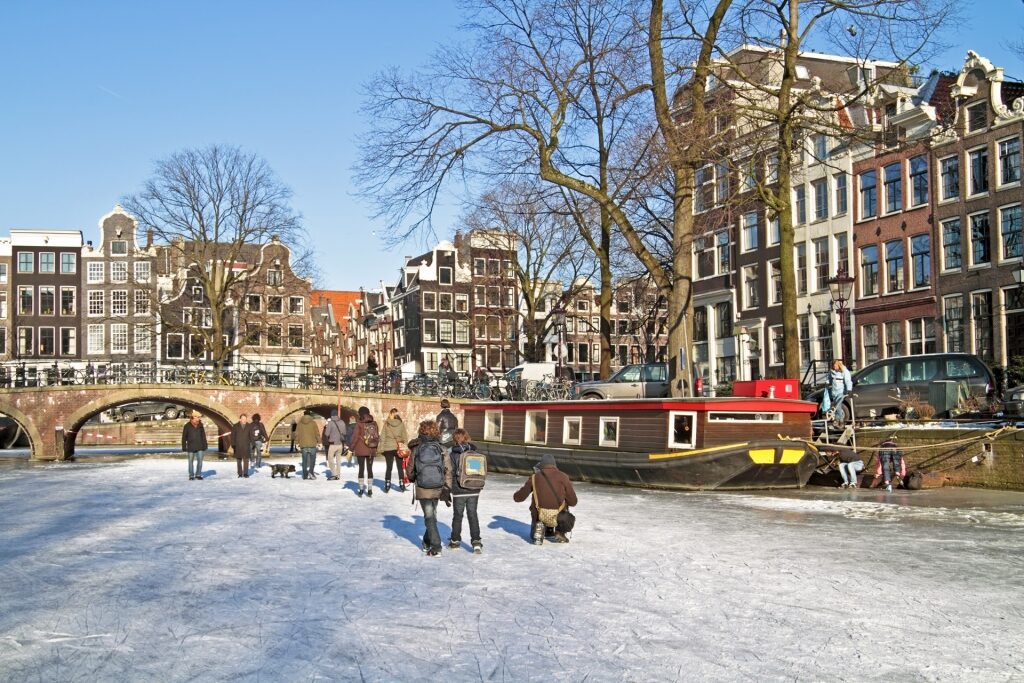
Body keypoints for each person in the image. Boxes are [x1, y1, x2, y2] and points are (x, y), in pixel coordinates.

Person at [407, 420, 452, 557]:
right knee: (431, 516)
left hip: (423, 487)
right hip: (438, 486)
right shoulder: (442, 448)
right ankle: (427, 542)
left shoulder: (416, 448)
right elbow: (448, 470)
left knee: (429, 517)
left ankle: (436, 547)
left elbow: (410, 470)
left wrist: (413, 478)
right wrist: (447, 487)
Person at [513, 453, 577, 544]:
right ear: (554, 465)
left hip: (539, 515)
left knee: (537, 512)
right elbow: (573, 502)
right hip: (559, 516)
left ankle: (538, 529)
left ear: (542, 465)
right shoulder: (564, 477)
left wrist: (516, 495)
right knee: (569, 517)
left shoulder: (534, 478)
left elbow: (519, 498)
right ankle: (560, 532)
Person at [448, 428, 483, 553]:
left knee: (458, 516)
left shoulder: (453, 454)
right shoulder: (474, 452)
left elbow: (450, 473)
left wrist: (450, 488)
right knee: (473, 515)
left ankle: (455, 541)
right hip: (474, 488)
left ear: (454, 439)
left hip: (459, 490)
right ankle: (476, 542)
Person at [349, 406, 379, 496]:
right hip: (371, 449)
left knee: (361, 469)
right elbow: (376, 436)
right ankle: (370, 489)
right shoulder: (374, 423)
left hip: (360, 449)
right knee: (370, 469)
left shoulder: (359, 424)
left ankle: (361, 489)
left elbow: (355, 438)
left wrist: (351, 449)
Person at [380, 408, 409, 493]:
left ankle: (387, 483)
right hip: (398, 448)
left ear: (391, 414)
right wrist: (404, 446)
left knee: (389, 467)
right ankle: (401, 483)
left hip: (388, 448)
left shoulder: (387, 424)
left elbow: (382, 437)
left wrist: (381, 448)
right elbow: (405, 437)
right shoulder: (401, 424)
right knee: (400, 467)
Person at [820, 359, 854, 428]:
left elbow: (848, 381)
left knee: (838, 406)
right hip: (834, 392)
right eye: (833, 366)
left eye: (835, 365)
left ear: (838, 365)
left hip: (841, 392)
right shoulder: (832, 372)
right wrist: (826, 384)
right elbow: (829, 379)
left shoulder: (844, 371)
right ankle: (838, 420)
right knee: (836, 406)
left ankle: (839, 420)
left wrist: (849, 390)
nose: (834, 367)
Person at [181, 410, 208, 481]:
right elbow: (184, 437)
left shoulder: (200, 425)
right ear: (193, 417)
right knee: (190, 461)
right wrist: (184, 446)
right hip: (191, 446)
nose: (198, 418)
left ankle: (198, 474)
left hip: (200, 446)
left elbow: (203, 436)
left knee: (200, 461)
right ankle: (191, 475)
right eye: (197, 417)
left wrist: (205, 445)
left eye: (199, 417)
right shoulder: (187, 426)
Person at [295, 410, 322, 480]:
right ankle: (311, 472)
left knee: (304, 460)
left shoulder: (299, 423)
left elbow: (297, 434)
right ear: (310, 415)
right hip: (312, 444)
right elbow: (317, 433)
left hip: (303, 445)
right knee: (312, 460)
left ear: (303, 415)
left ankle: (304, 474)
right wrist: (319, 442)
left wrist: (297, 443)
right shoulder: (313, 423)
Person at [323, 409, 348, 480]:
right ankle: (338, 474)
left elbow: (326, 433)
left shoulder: (330, 423)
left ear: (331, 415)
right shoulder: (342, 422)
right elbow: (345, 433)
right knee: (338, 460)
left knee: (330, 459)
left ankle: (334, 474)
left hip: (333, 444)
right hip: (340, 444)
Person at [230, 413, 253, 478]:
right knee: (239, 460)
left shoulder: (249, 426)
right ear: (240, 419)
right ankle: (240, 473)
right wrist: (233, 444)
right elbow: (232, 436)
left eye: (245, 419)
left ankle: (245, 473)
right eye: (243, 419)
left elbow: (251, 436)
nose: (244, 420)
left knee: (246, 460)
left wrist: (253, 444)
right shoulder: (235, 426)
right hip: (238, 445)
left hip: (246, 445)